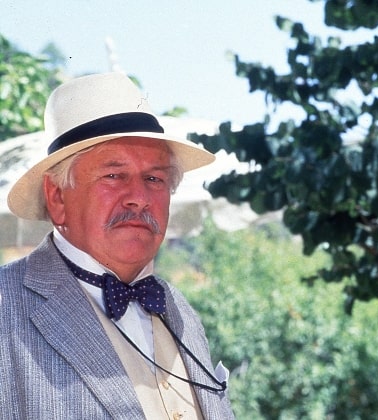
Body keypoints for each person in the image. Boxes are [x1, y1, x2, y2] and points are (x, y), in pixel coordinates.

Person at [0, 73, 235, 419]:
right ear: (57, 197)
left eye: (154, 179)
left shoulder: (180, 310)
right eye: (113, 175)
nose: (139, 198)